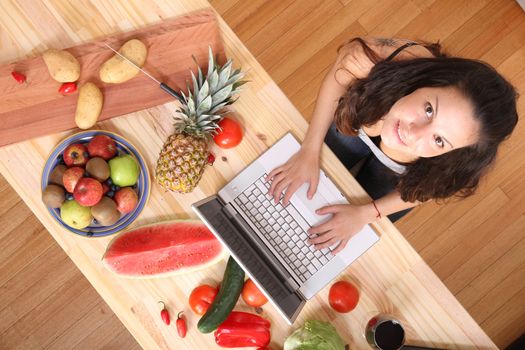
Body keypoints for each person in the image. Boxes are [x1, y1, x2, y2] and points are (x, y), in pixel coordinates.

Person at [266, 37, 518, 254]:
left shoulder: (461, 162)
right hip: (357, 125)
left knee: (343, 220)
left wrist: (366, 214)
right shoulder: (382, 58)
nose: (413, 133)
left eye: (439, 140)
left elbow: (423, 190)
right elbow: (338, 77)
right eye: (429, 110)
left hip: (399, 174)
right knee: (319, 172)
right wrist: (310, 149)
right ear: (431, 81)